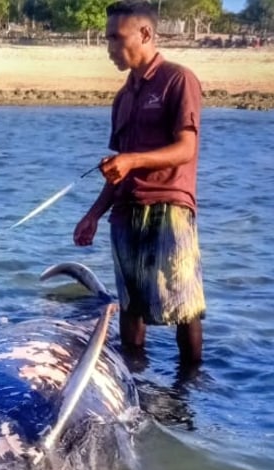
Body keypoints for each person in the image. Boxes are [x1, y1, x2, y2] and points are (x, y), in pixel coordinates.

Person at [73, 0, 206, 366]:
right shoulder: (122, 96)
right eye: (107, 39)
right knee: (130, 307)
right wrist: (93, 214)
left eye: (117, 38)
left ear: (146, 33)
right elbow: (119, 169)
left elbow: (186, 147)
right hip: (124, 210)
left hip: (169, 205)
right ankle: (136, 380)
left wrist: (133, 160)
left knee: (184, 305)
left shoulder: (178, 80)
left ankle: (190, 388)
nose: (110, 48)